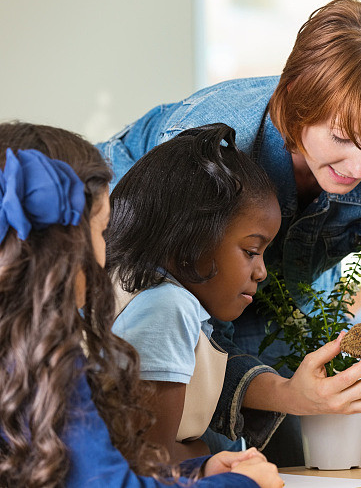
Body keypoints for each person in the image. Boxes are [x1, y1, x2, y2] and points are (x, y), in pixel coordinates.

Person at [97, 0, 361, 464]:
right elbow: (192, 343)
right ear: (299, 99)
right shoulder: (212, 146)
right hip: (146, 272)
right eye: (342, 138)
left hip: (268, 284)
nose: (360, 167)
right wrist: (284, 396)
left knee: (289, 451)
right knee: (187, 447)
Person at [0, 122, 282, 488]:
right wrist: (245, 484)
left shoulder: (25, 353)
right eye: (102, 232)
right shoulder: (48, 363)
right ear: (64, 248)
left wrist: (196, 472)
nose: (106, 253)